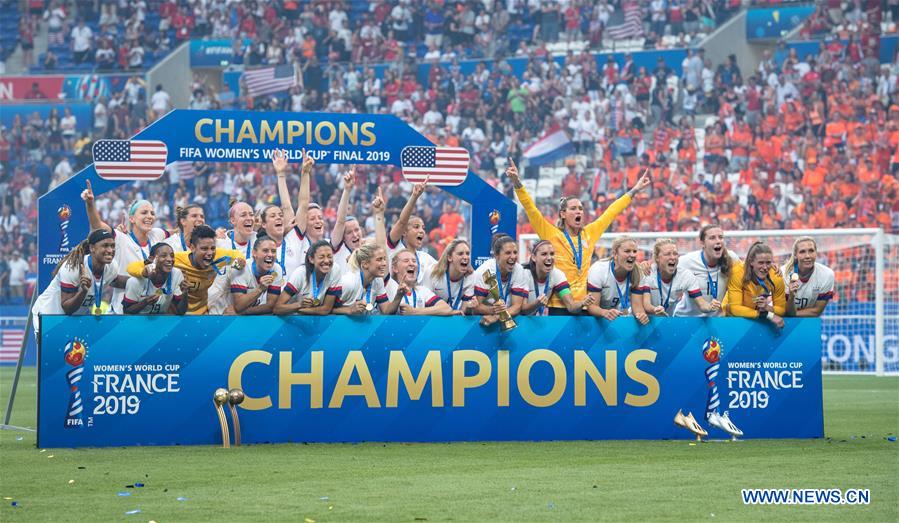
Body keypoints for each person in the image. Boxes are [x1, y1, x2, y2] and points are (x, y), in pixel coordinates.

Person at [507, 158, 651, 314]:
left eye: (581, 209)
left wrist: (634, 190)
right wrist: (517, 184)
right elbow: (531, 209)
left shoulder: (589, 233)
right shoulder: (551, 234)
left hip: (585, 305)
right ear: (563, 214)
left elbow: (611, 212)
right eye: (573, 209)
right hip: (558, 305)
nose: (579, 212)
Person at [83, 180, 170, 313]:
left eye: (152, 213)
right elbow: (97, 226)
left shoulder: (157, 234)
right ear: (132, 219)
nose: (149, 216)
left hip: (151, 313)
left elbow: (178, 233)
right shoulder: (120, 238)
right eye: (144, 212)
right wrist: (90, 204)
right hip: (123, 312)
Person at [126, 225, 245, 315]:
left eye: (212, 248)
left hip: (202, 315)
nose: (210, 253)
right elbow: (131, 267)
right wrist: (144, 272)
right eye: (204, 248)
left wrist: (238, 263)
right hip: (177, 315)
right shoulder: (174, 259)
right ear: (192, 247)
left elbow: (238, 255)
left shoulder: (219, 256)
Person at [32, 230, 128, 327]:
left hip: (74, 319)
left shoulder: (112, 266)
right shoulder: (73, 267)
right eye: (105, 246)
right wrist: (83, 291)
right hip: (48, 316)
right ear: (92, 248)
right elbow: (67, 308)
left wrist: (140, 282)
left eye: (112, 246)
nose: (110, 250)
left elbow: (115, 281)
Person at [640, 238, 721, 317]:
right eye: (668, 254)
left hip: (666, 321)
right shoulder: (648, 272)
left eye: (675, 254)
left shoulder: (686, 276)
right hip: (639, 321)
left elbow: (702, 304)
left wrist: (710, 306)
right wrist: (655, 309)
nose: (673, 257)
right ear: (657, 258)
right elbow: (646, 305)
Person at [673, 224, 740, 317]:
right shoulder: (687, 261)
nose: (718, 241)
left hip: (715, 321)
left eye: (720, 237)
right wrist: (646, 265)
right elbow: (661, 268)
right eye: (712, 238)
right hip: (687, 319)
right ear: (702, 243)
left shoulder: (732, 258)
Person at [208, 237, 284, 315]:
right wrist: (260, 289)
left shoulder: (276, 269)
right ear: (254, 253)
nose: (270, 254)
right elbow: (239, 306)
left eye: (273, 251)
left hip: (241, 316)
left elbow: (271, 306)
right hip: (220, 314)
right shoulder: (241, 268)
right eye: (265, 251)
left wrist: (245, 312)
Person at [520, 240, 593, 316]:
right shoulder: (524, 274)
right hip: (519, 322)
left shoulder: (557, 274)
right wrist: (536, 303)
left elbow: (571, 306)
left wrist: (582, 303)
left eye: (552, 254)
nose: (549, 258)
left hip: (537, 321)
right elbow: (522, 310)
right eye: (544, 254)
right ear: (534, 257)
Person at [585, 236, 648, 323]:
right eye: (627, 251)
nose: (632, 255)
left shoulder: (638, 273)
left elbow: (637, 306)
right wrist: (605, 312)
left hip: (615, 317)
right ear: (615, 254)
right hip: (594, 319)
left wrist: (641, 315)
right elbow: (592, 307)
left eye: (634, 251)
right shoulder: (599, 269)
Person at [724, 241, 786, 328]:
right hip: (730, 318)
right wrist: (767, 315)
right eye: (760, 262)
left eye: (768, 263)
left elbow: (782, 309)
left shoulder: (776, 277)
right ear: (751, 262)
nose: (765, 267)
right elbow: (734, 308)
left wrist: (767, 307)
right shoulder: (737, 273)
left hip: (754, 318)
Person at [387, 178, 437, 283]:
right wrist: (414, 197)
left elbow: (443, 271)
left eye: (423, 228)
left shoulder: (425, 258)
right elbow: (401, 222)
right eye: (416, 227)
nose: (422, 231)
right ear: (404, 232)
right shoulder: (395, 248)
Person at [471, 235, 528, 325]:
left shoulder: (519, 270)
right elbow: (477, 307)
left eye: (515, 252)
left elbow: (517, 306)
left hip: (504, 318)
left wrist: (497, 316)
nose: (513, 256)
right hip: (482, 320)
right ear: (497, 255)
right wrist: (493, 310)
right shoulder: (485, 271)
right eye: (508, 253)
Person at [273, 240, 340, 315]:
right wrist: (299, 305)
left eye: (330, 256)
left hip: (313, 319)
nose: (327, 261)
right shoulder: (300, 274)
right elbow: (277, 308)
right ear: (311, 259)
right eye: (321, 257)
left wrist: (302, 309)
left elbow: (326, 309)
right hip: (291, 319)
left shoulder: (335, 270)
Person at [122, 243, 189, 315]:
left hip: (160, 323)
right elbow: (126, 311)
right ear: (151, 259)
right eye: (163, 256)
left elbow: (181, 312)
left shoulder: (176, 274)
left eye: (172, 256)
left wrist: (185, 293)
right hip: (136, 323)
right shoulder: (135, 281)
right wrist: (145, 302)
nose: (170, 259)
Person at [332, 242, 396, 315]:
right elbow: (327, 309)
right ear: (365, 264)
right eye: (379, 259)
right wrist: (349, 310)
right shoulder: (348, 283)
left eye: (384, 259)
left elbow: (386, 311)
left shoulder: (378, 281)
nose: (384, 263)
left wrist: (399, 295)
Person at [386, 249, 456, 315]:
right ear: (395, 268)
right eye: (406, 261)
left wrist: (414, 311)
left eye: (414, 261)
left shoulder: (422, 291)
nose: (411, 264)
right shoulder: (389, 285)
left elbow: (446, 309)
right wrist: (398, 297)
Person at [781, 236, 834, 317]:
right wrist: (791, 296)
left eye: (811, 251)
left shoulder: (826, 275)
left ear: (816, 253)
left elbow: (816, 311)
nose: (807, 256)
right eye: (802, 252)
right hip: (782, 322)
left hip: (808, 322)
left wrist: (793, 313)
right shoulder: (783, 274)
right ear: (795, 255)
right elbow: (780, 309)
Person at [425, 238, 476, 313]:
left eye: (467, 253)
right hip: (430, 318)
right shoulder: (433, 272)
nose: (465, 257)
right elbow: (423, 304)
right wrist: (447, 312)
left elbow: (464, 311)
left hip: (453, 319)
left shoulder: (470, 276)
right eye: (460, 253)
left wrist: (469, 307)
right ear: (449, 257)